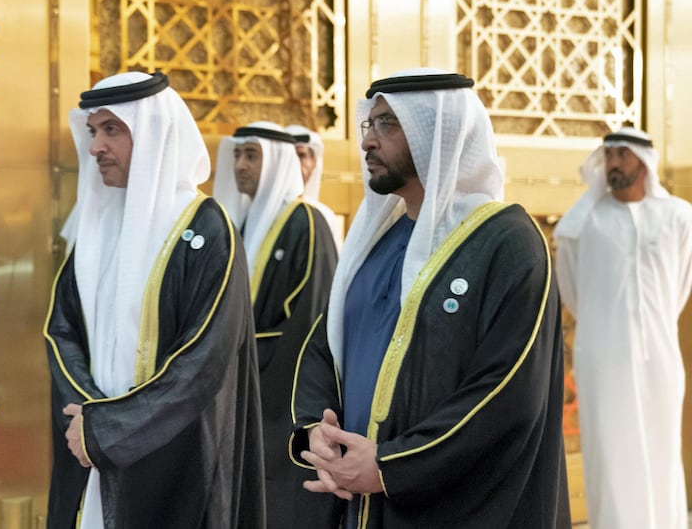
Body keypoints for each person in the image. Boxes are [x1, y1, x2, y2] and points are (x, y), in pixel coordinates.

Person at [289, 68, 571, 528]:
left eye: (388, 125)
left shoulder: (508, 241)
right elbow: (327, 345)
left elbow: (508, 392)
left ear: (437, 134)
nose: (367, 143)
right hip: (358, 501)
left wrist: (392, 465)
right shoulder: (376, 239)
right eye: (369, 124)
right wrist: (315, 433)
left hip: (455, 505)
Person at [43, 71, 265, 529]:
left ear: (154, 134)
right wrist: (87, 416)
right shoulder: (96, 225)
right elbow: (61, 330)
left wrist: (113, 427)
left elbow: (204, 358)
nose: (95, 147)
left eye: (112, 130)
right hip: (88, 444)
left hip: (175, 453)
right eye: (93, 130)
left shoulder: (205, 227)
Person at [554, 126, 692, 529]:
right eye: (609, 156)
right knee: (612, 452)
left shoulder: (679, 217)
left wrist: (651, 323)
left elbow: (681, 283)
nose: (614, 164)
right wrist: (609, 328)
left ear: (643, 160)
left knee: (661, 447)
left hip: (660, 355)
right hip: (603, 357)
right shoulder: (583, 224)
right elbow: (573, 290)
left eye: (622, 155)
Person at [213, 122, 341, 529]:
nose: (241, 165)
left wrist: (239, 359)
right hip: (240, 391)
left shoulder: (307, 223)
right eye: (236, 155)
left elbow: (309, 323)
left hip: (280, 402)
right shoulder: (241, 225)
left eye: (251, 155)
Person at [285, 124, 343, 250]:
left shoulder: (324, 216)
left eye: (301, 155)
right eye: (290, 156)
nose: (295, 162)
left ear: (314, 163)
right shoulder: (265, 210)